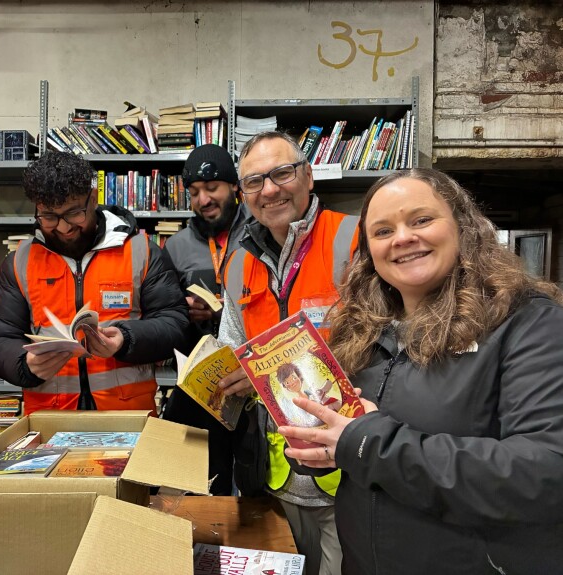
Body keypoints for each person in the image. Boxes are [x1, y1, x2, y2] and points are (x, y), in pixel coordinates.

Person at [280, 168, 563, 574]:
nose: (402, 238)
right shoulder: (364, 331)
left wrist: (367, 443)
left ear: (463, 227)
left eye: (421, 220)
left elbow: (545, 471)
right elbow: (364, 453)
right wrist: (324, 445)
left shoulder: (528, 323)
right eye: (382, 231)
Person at [216, 131, 358, 575]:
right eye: (255, 181)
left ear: (309, 176)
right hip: (273, 476)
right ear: (243, 194)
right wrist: (226, 372)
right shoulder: (238, 262)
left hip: (346, 475)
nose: (270, 190)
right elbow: (230, 344)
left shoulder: (355, 239)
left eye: (282, 173)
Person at [0, 150, 189, 414]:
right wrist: (24, 365)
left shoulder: (141, 251)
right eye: (49, 217)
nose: (64, 228)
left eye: (74, 213)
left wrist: (125, 340)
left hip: (127, 418)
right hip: (50, 422)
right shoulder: (20, 261)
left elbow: (175, 324)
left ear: (93, 199)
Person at [162, 144, 251, 495]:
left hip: (252, 380)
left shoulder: (257, 235)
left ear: (234, 187)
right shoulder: (176, 246)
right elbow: (166, 314)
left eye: (212, 188)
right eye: (195, 192)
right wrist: (184, 311)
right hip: (202, 386)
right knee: (204, 482)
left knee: (250, 481)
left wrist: (221, 313)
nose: (203, 200)